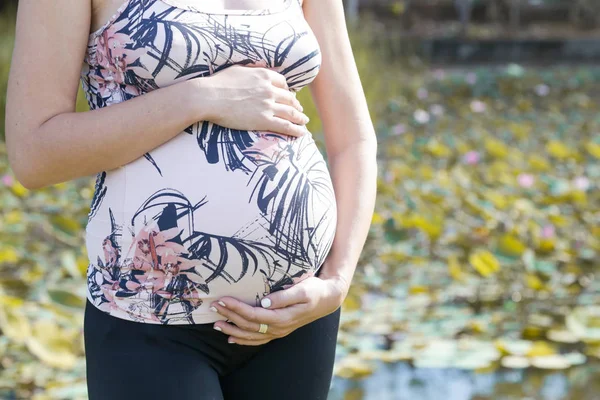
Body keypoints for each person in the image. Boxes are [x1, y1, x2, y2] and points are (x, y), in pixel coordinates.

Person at [5, 0, 377, 398]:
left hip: (295, 314)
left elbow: (353, 140)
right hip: (150, 322)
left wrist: (336, 282)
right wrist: (201, 98)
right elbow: (34, 154)